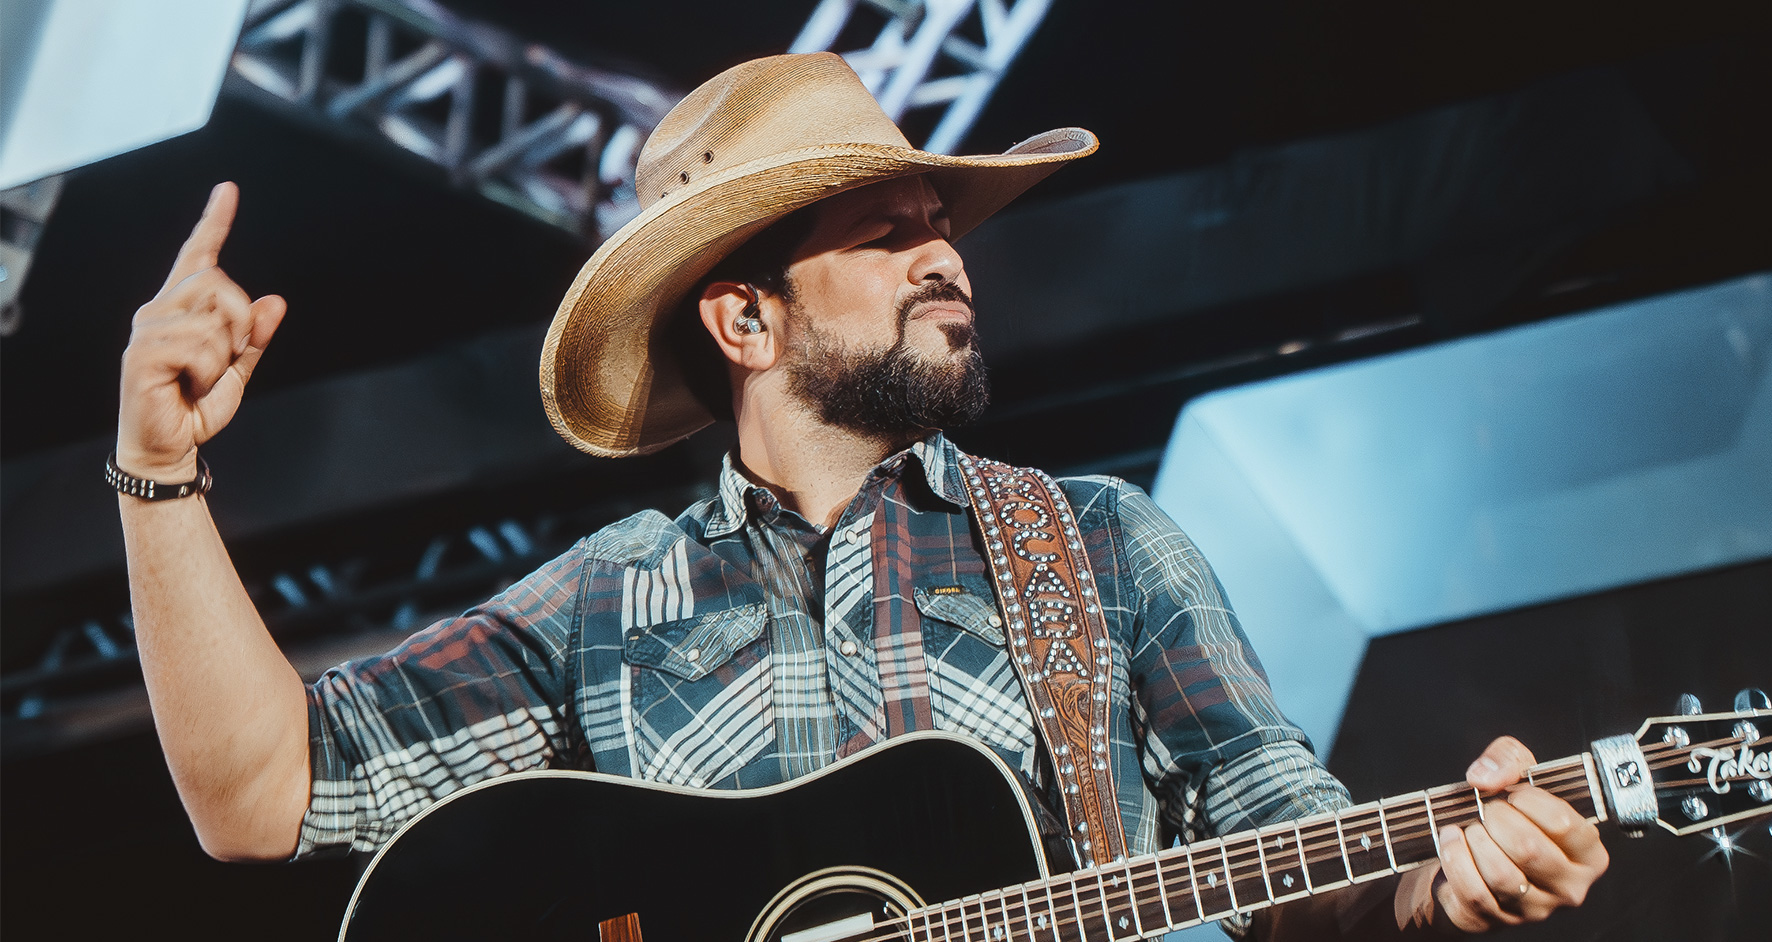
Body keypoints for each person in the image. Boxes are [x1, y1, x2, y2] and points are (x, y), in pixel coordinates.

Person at [114, 53, 1606, 937]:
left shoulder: (1093, 544)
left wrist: (1435, 893)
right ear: (746, 320)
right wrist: (159, 472)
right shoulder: (605, 596)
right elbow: (257, 795)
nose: (944, 252)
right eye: (885, 231)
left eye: (941, 223)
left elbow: (1297, 851)